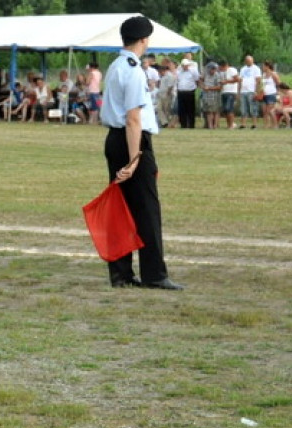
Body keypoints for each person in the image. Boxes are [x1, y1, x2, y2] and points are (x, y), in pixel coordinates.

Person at [100, 16, 181, 290]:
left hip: (114, 139)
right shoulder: (134, 69)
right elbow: (134, 118)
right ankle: (154, 274)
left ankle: (121, 272)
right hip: (132, 140)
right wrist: (136, 159)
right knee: (146, 208)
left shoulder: (115, 66)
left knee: (121, 207)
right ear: (144, 40)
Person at [237, 54, 261, 129]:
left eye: (250, 61)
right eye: (247, 61)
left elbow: (258, 81)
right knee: (243, 108)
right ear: (245, 61)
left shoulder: (256, 69)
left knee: (253, 108)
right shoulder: (242, 69)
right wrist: (238, 91)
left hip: (251, 91)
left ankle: (254, 124)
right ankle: (243, 124)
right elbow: (240, 81)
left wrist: (256, 91)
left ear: (252, 60)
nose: (248, 62)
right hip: (243, 91)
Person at [175, 57, 199, 129]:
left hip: (190, 91)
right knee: (182, 110)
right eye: (184, 65)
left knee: (190, 109)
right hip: (181, 92)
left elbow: (196, 79)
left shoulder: (193, 71)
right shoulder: (178, 71)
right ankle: (183, 124)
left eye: (186, 65)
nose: (185, 66)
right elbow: (177, 80)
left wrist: (194, 87)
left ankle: (191, 125)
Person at [200, 61, 222, 129]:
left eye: (213, 69)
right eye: (210, 69)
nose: (212, 70)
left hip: (215, 96)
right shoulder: (206, 75)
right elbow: (200, 81)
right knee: (209, 111)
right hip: (207, 96)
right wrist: (203, 86)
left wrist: (209, 88)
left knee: (215, 111)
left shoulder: (217, 75)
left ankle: (215, 125)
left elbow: (219, 87)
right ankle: (210, 126)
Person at [218, 58, 239, 129]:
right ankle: (229, 124)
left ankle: (231, 125)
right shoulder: (221, 72)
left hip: (231, 92)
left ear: (225, 65)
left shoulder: (232, 70)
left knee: (229, 108)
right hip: (223, 92)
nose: (220, 68)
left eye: (221, 67)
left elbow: (237, 79)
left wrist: (227, 81)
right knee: (225, 109)